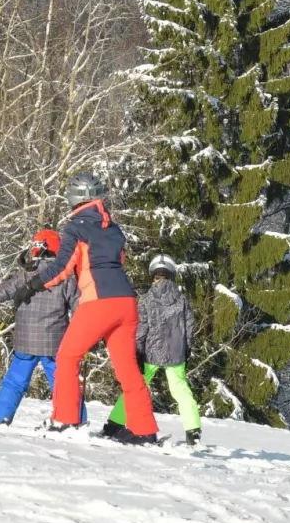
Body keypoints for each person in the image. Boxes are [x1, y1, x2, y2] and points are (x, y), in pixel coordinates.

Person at [20, 173, 159, 444]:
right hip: (127, 303)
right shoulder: (114, 230)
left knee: (67, 357)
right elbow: (117, 261)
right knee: (128, 368)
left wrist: (31, 286)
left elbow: (62, 267)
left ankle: (65, 420)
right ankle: (144, 429)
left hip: (98, 302)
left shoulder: (76, 228)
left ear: (74, 198)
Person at [0, 229, 78, 425]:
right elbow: (80, 305)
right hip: (54, 344)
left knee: (14, 383)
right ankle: (73, 421)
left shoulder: (25, 274)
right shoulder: (65, 276)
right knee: (64, 385)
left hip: (25, 341)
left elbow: (3, 291)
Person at [106, 254, 202, 445]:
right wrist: (187, 349)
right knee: (181, 389)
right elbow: (189, 327)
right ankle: (193, 430)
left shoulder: (147, 299)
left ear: (153, 275)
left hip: (151, 352)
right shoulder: (181, 299)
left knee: (135, 387)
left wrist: (138, 351)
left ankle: (114, 423)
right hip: (176, 353)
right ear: (171, 275)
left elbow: (141, 329)